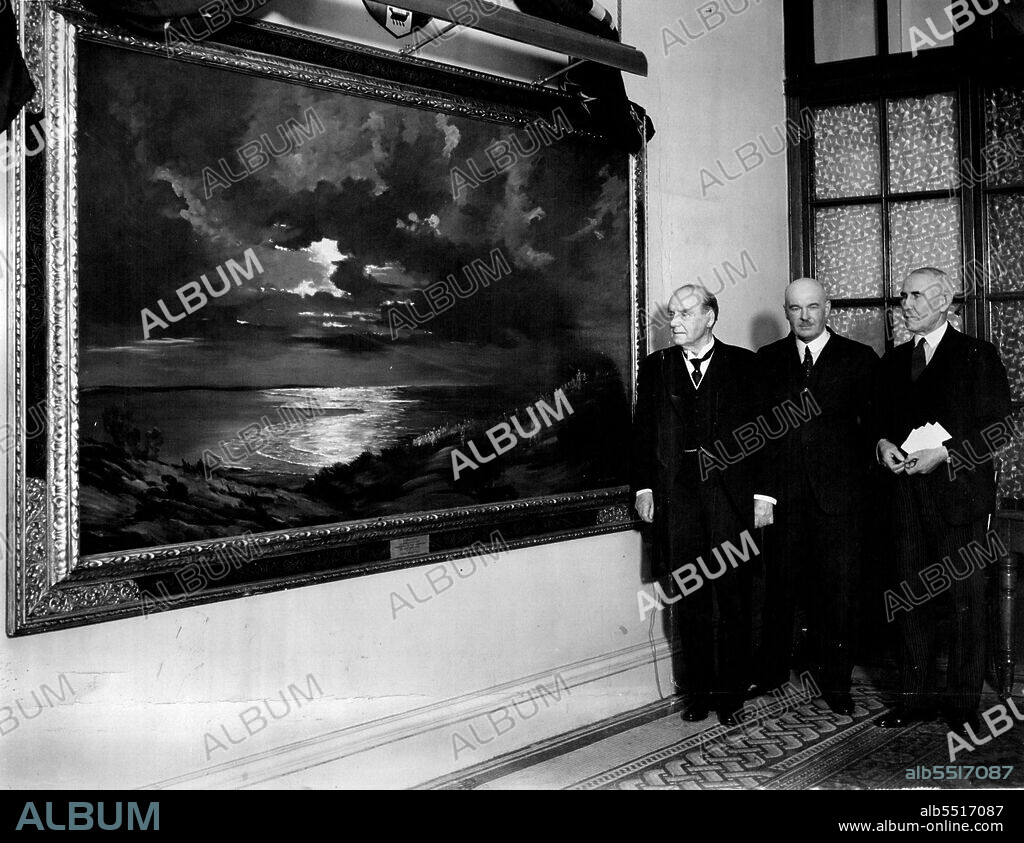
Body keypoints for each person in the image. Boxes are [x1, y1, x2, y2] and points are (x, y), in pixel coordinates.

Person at [874, 267, 1011, 734]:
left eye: (915, 297)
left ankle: (961, 707)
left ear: (943, 300)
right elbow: (879, 425)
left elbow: (998, 430)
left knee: (964, 601)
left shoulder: (977, 355)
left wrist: (945, 454)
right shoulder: (892, 362)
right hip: (906, 500)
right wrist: (882, 445)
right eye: (903, 297)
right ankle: (913, 702)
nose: (905, 305)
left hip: (960, 500)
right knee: (910, 598)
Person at [631, 284, 774, 726]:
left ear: (710, 317)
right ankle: (697, 692)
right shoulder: (657, 368)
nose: (674, 321)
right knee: (687, 595)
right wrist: (643, 488)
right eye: (671, 314)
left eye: (684, 313)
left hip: (731, 499)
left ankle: (730, 695)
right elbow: (642, 433)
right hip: (678, 501)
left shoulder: (746, 366)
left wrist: (764, 496)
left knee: (732, 597)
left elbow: (769, 435)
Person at [755, 278, 879, 714]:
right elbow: (759, 437)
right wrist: (764, 495)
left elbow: (874, 431)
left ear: (828, 308)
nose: (804, 316)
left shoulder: (859, 359)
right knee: (778, 588)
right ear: (785, 311)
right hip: (783, 499)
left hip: (840, 501)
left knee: (838, 592)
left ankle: (837, 683)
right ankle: (770, 674)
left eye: (812, 307)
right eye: (794, 308)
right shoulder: (767, 361)